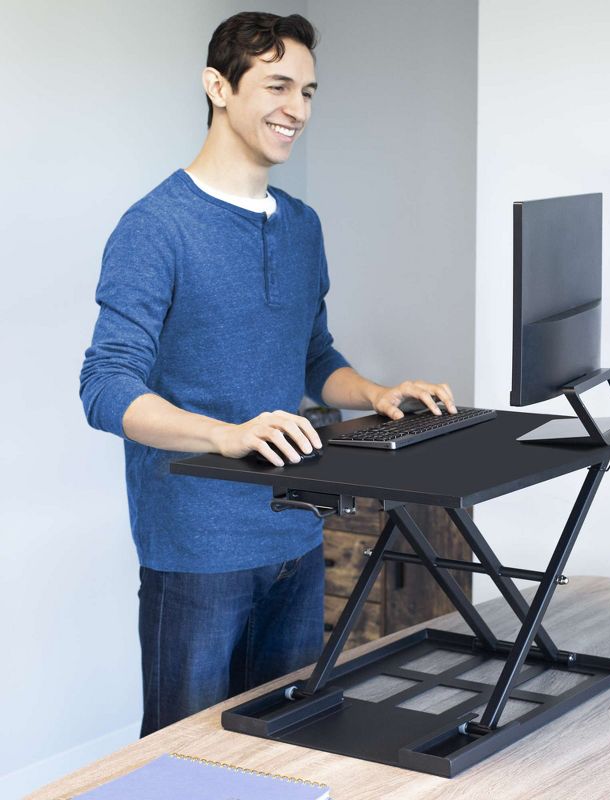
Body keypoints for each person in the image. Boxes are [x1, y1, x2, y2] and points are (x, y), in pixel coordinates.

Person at [79, 11, 457, 737]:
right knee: (185, 765)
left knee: (290, 747)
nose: (298, 110)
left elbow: (313, 356)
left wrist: (376, 393)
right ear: (218, 87)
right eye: (278, 85)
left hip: (295, 535)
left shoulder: (301, 224)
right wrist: (224, 435)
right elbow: (105, 387)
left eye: (309, 92)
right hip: (197, 551)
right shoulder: (155, 228)